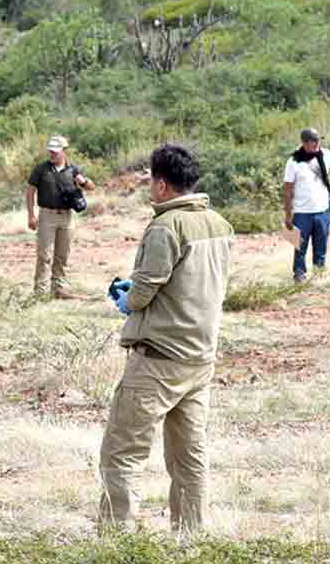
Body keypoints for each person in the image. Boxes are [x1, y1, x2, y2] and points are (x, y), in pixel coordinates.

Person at [99, 144, 233, 532]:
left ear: (161, 185)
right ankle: (191, 539)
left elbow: (143, 292)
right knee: (189, 457)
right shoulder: (220, 224)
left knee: (122, 453)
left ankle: (116, 546)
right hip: (199, 357)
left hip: (158, 360)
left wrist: (127, 299)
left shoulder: (165, 227)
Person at [25, 135, 97, 299]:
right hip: (47, 216)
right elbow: (30, 192)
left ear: (64, 151)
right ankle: (40, 292)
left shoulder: (73, 170)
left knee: (62, 255)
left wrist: (83, 181)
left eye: (56, 152)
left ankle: (59, 289)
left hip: (66, 217)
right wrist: (31, 215)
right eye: (51, 151)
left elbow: (92, 187)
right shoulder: (41, 169)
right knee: (44, 255)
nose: (52, 154)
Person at [283, 129, 330, 283]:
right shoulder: (293, 161)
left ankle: (318, 274)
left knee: (321, 246)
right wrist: (288, 214)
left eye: (318, 140)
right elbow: (287, 188)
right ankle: (299, 275)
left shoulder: (327, 154)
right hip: (302, 212)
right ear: (305, 143)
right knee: (299, 247)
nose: (317, 144)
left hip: (322, 210)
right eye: (314, 141)